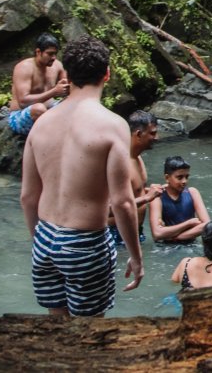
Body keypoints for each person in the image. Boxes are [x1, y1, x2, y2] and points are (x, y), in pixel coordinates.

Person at [20, 35, 144, 317]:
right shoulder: (113, 126)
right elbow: (124, 202)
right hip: (85, 241)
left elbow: (28, 197)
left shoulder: (41, 124)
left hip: (45, 237)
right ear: (107, 75)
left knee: (58, 329)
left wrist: (40, 241)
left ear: (68, 75)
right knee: (90, 333)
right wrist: (136, 258)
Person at [108, 110, 164, 246]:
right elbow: (107, 209)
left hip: (136, 231)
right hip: (116, 233)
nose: (157, 138)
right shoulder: (119, 163)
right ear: (138, 134)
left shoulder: (138, 157)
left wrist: (152, 191)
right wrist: (147, 198)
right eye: (152, 133)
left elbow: (132, 191)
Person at [7, 33, 69, 136]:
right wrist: (54, 92)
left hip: (49, 111)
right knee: (38, 109)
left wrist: (68, 87)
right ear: (38, 52)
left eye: (55, 54)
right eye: (50, 54)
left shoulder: (57, 65)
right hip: (20, 116)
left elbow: (70, 88)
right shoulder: (24, 68)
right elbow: (23, 101)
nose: (53, 57)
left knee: (74, 102)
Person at [149, 155, 210, 243]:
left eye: (187, 177)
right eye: (180, 177)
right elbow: (157, 233)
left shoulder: (193, 192)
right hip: (166, 248)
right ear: (167, 178)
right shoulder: (158, 196)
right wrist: (188, 223)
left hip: (189, 244)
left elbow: (207, 225)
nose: (184, 181)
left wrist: (177, 237)